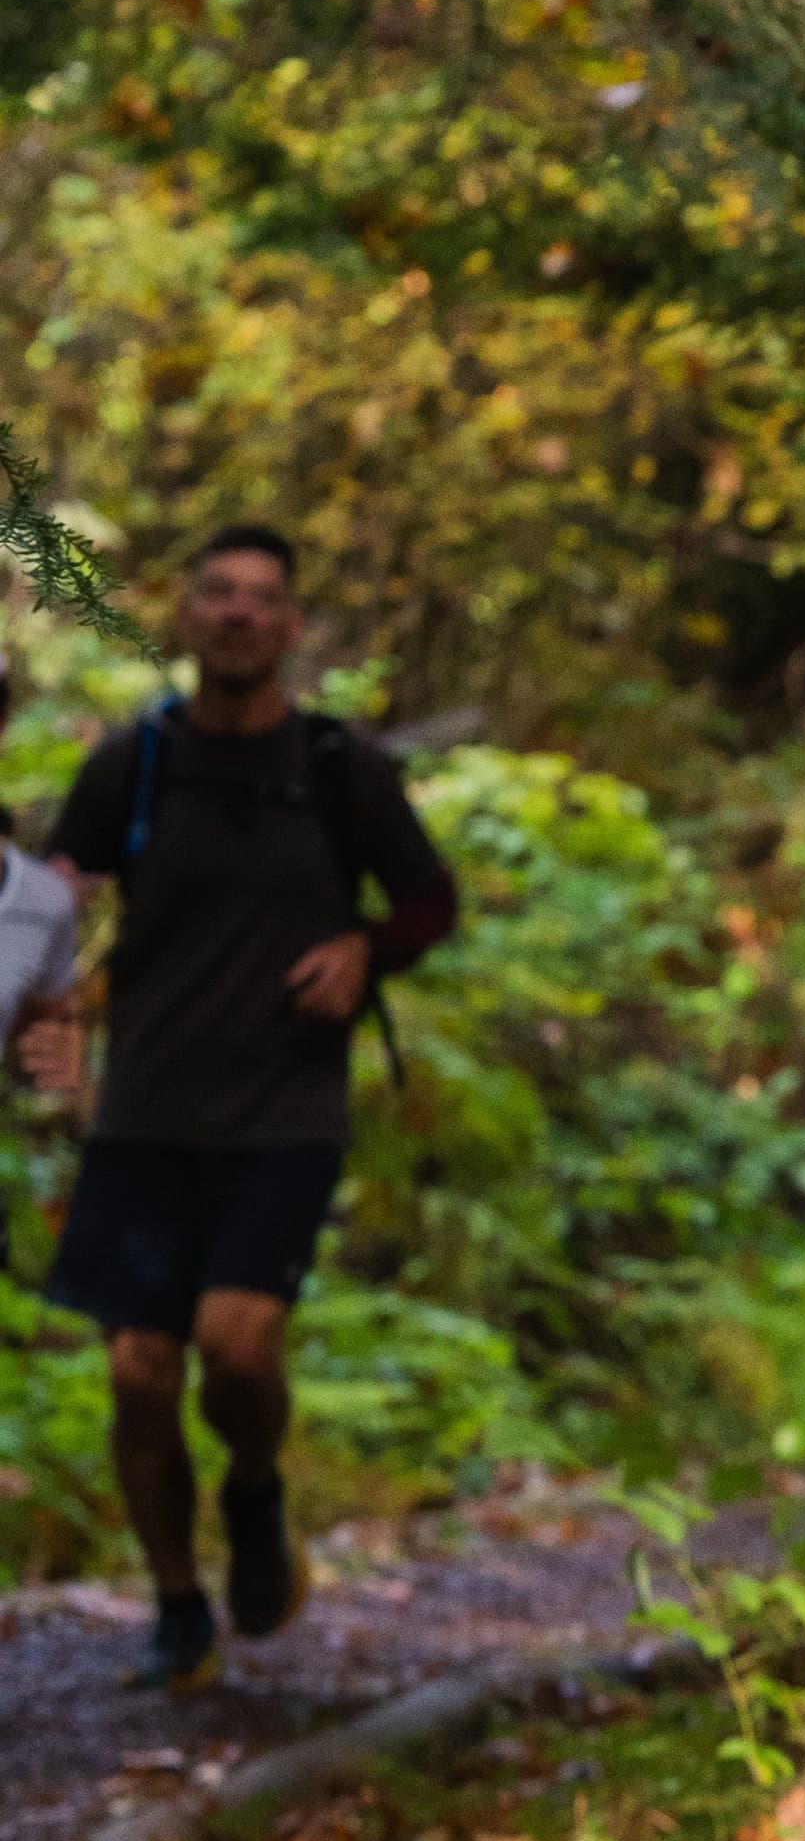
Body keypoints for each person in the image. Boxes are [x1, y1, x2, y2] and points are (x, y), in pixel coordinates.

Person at [38, 525, 461, 1690]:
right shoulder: (135, 765)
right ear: (185, 613)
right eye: (217, 593)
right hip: (145, 1111)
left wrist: (365, 952)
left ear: (289, 625)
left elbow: (431, 899)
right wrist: (49, 994)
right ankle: (178, 1603)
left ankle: (257, 1489)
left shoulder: (337, 770)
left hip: (283, 1107)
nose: (236, 614)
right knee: (135, 1370)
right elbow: (50, 902)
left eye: (261, 599)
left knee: (235, 1347)